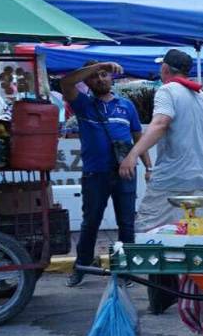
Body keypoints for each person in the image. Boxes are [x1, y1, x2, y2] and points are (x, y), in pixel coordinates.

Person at [61, 61, 149, 286]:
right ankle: (80, 268)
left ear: (111, 79)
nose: (100, 79)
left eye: (104, 75)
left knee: (126, 224)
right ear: (87, 82)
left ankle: (124, 271)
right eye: (95, 76)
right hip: (95, 174)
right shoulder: (83, 105)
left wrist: (148, 166)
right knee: (91, 222)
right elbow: (66, 82)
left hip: (126, 173)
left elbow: (138, 138)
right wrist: (100, 65)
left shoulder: (126, 106)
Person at [120, 49, 203, 231]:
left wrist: (133, 154)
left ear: (165, 68)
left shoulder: (167, 91)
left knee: (147, 232)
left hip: (172, 181)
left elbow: (160, 123)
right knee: (193, 236)